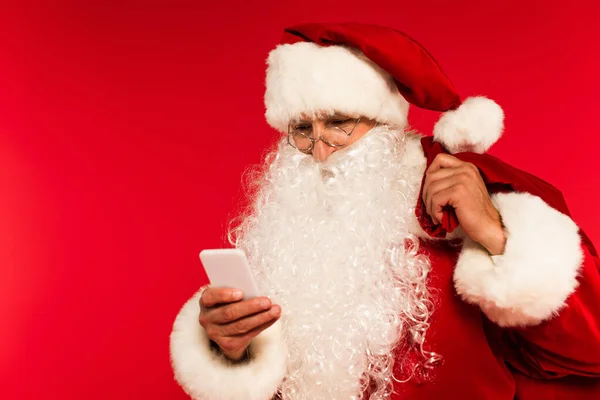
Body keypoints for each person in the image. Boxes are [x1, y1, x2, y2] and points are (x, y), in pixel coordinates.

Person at [169, 23, 600, 399]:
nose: (319, 150)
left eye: (338, 122)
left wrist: (496, 235)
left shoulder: (463, 202)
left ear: (386, 126)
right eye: (302, 129)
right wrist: (231, 349)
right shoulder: (284, 231)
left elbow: (589, 351)